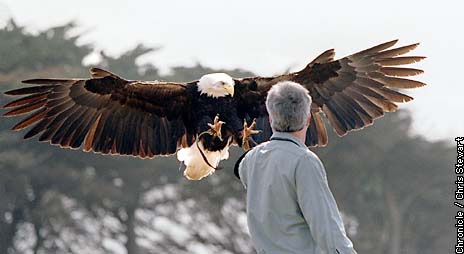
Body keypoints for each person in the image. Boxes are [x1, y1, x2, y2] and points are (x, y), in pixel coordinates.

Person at [235, 81, 357, 254]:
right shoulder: (305, 161)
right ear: (308, 119)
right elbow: (327, 230)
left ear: (270, 118)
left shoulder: (251, 159)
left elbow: (239, 169)